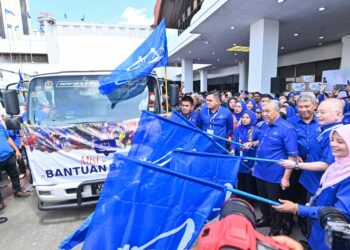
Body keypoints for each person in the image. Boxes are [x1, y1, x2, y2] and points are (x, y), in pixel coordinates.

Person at [274, 124, 350, 250]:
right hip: (320, 227)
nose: (333, 144)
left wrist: (297, 208)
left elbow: (340, 214)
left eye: (340, 141)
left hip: (332, 236)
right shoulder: (337, 165)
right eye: (332, 140)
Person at [280, 98, 344, 196]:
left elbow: (327, 164)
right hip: (310, 179)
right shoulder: (325, 130)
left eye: (322, 112)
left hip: (320, 185)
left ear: (338, 115)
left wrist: (295, 165)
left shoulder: (336, 134)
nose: (318, 115)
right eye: (318, 112)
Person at [253, 100, 298, 236]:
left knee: (274, 204)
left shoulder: (287, 129)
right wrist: (253, 143)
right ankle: (266, 219)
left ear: (277, 111)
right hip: (259, 170)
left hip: (274, 174)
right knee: (262, 199)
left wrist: (285, 178)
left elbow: (292, 156)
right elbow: (263, 141)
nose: (264, 114)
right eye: (263, 111)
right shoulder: (265, 125)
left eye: (267, 111)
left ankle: (275, 229)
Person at [230, 110, 259, 204]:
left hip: (251, 159)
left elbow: (259, 145)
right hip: (240, 159)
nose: (244, 119)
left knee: (249, 182)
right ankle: (240, 202)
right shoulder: (238, 129)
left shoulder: (256, 130)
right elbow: (234, 140)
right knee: (240, 180)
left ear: (252, 118)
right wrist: (233, 149)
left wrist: (251, 145)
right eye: (243, 117)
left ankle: (249, 203)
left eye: (247, 117)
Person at [0, 123, 30, 210]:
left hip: (9, 156)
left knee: (15, 175)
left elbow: (8, 138)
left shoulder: (0, 125)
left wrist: (16, 150)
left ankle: (17, 191)